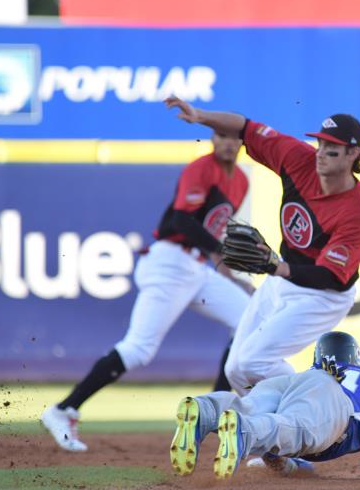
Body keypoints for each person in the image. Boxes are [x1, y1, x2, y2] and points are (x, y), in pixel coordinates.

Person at [41, 127, 254, 452]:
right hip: (170, 261)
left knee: (248, 318)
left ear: (242, 141)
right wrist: (218, 255)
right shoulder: (201, 168)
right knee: (139, 349)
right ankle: (63, 409)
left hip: (197, 267)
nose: (227, 141)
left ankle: (215, 408)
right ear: (213, 139)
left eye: (233, 136)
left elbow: (213, 234)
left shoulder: (241, 180)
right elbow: (183, 221)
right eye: (221, 135)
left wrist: (230, 274)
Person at [164, 97, 360, 395]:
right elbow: (246, 128)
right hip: (282, 279)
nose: (321, 154)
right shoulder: (298, 159)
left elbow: (328, 276)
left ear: (353, 153)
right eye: (320, 145)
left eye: (332, 150)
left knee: (253, 362)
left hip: (323, 297)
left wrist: (277, 266)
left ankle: (317, 405)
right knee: (236, 370)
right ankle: (272, 430)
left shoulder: (357, 210)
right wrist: (200, 116)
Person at [169, 331, 360, 479]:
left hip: (287, 382)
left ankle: (206, 410)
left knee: (251, 407)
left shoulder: (305, 378)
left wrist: (293, 471)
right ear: (357, 357)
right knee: (292, 427)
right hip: (334, 401)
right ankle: (245, 432)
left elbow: (282, 455)